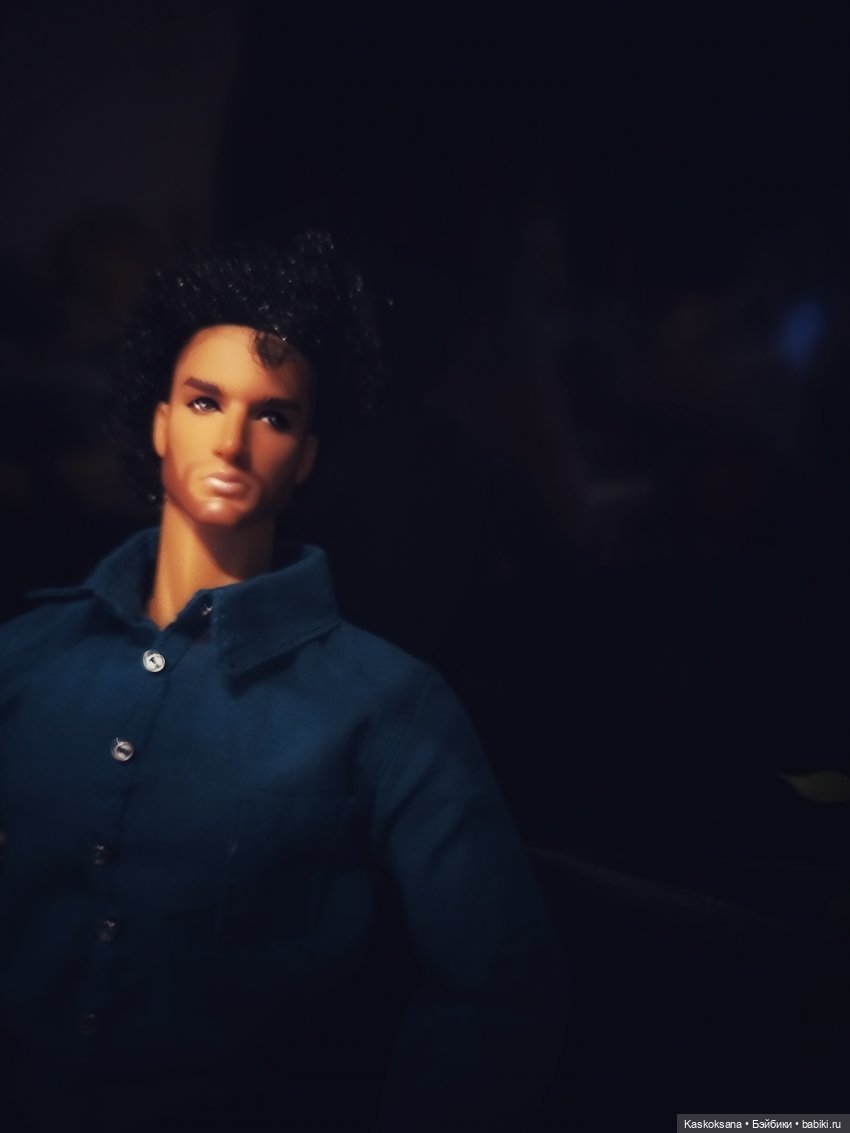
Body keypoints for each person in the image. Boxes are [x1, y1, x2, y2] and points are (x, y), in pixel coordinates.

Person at [0, 234, 565, 1132]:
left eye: (272, 416)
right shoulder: (25, 659)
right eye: (204, 401)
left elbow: (500, 986)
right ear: (160, 422)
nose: (231, 440)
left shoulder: (387, 705)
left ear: (306, 456)